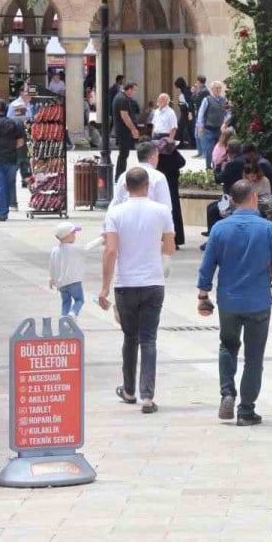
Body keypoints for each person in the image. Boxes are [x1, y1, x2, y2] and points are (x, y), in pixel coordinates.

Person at [198, 179, 272, 426]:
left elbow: (207, 266)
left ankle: (227, 393)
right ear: (253, 198)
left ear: (231, 200)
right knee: (254, 357)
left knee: (227, 346)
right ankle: (246, 410)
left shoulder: (219, 229)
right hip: (258, 301)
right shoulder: (267, 229)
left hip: (228, 301)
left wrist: (203, 296)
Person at [98, 168, 175, 414]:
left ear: (124, 187)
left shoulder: (115, 213)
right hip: (153, 282)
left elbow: (110, 251)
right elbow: (170, 247)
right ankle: (148, 395)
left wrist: (104, 287)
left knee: (129, 337)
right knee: (149, 338)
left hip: (125, 283)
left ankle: (129, 389)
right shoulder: (162, 211)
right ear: (148, 185)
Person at [49, 222, 103, 317]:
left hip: (61, 284)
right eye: (73, 233)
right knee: (79, 300)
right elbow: (88, 247)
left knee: (66, 302)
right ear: (67, 235)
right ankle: (73, 313)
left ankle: (64, 318)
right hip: (74, 282)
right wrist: (102, 238)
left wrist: (52, 279)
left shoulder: (55, 250)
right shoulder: (74, 248)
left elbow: (52, 266)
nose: (75, 235)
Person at [110, 141, 171, 209]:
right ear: (152, 157)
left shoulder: (124, 175)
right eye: (157, 156)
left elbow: (116, 202)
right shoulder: (159, 177)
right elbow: (166, 206)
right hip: (151, 217)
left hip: (127, 216)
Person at [154, 138, 188, 247]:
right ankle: (176, 239)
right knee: (174, 213)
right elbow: (182, 162)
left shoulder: (159, 157)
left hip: (161, 190)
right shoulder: (174, 156)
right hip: (172, 189)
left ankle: (163, 238)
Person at [112, 81, 142, 178]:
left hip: (123, 131)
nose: (134, 92)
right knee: (123, 154)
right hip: (123, 131)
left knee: (124, 154)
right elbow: (125, 116)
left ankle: (120, 175)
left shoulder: (122, 97)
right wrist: (133, 129)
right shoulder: (122, 99)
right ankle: (119, 176)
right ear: (129, 89)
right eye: (134, 90)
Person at [197, 80, 228, 169]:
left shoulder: (224, 100)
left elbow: (227, 113)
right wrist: (200, 126)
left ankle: (217, 167)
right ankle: (208, 168)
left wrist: (226, 123)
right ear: (212, 89)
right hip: (209, 129)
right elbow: (201, 113)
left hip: (220, 130)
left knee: (220, 150)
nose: (218, 90)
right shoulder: (207, 100)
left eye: (219, 88)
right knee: (209, 150)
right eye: (216, 88)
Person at [174, 76, 195, 148]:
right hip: (185, 113)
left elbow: (189, 102)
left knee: (182, 128)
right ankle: (191, 144)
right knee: (188, 129)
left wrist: (190, 113)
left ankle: (181, 144)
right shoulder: (186, 90)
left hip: (186, 113)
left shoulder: (185, 91)